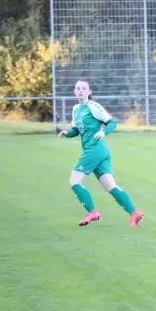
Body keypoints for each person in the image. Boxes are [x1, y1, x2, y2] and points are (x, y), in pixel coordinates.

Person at [58, 79, 144, 227]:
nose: (80, 91)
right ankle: (134, 213)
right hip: (99, 152)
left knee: (74, 181)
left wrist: (103, 132)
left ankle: (92, 212)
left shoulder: (93, 106)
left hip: (95, 149)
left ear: (89, 92)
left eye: (84, 88)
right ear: (74, 91)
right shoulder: (76, 109)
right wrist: (67, 133)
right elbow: (76, 130)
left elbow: (112, 123)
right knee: (110, 186)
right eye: (78, 88)